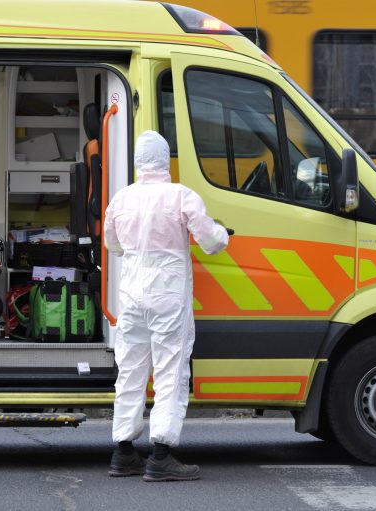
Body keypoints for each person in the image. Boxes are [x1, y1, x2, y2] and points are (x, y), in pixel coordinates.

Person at [103, 130, 229, 482]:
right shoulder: (181, 196)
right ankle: (161, 456)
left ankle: (123, 452)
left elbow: (112, 244)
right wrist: (225, 234)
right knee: (170, 370)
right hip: (168, 296)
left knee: (129, 371)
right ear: (165, 158)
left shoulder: (121, 198)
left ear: (138, 162)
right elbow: (210, 241)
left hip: (131, 295)